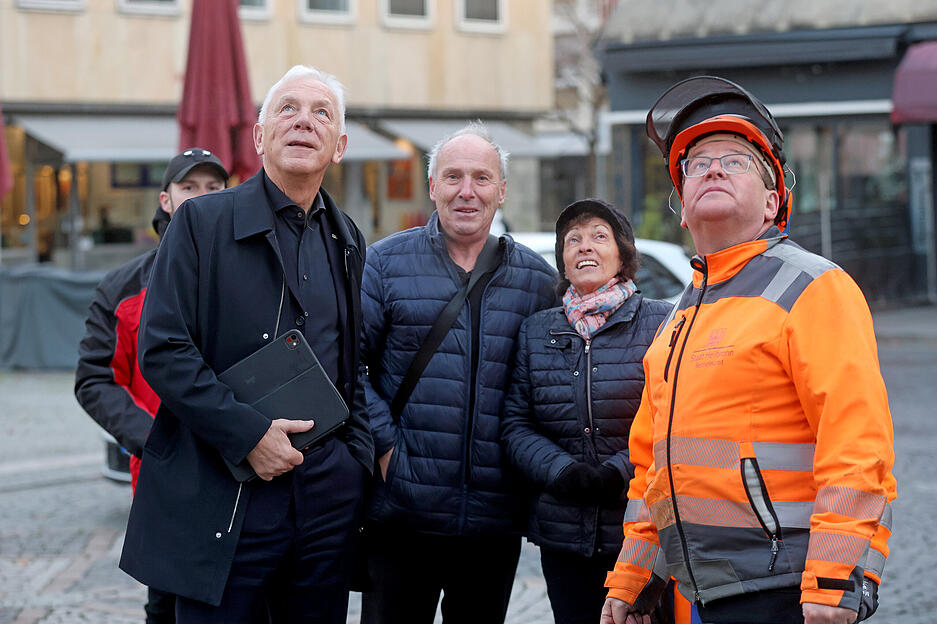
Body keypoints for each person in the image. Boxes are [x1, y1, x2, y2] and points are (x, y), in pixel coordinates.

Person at [601, 76, 897, 624]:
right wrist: (634, 578)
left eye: (735, 161)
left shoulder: (814, 287)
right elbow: (653, 471)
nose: (711, 167)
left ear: (773, 200)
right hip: (708, 593)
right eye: (696, 164)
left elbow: (857, 444)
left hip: (789, 589)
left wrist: (834, 580)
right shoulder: (679, 319)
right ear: (682, 210)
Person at [118, 65, 371, 624]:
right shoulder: (201, 224)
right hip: (222, 491)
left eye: (321, 113)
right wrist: (249, 435)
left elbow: (352, 364)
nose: (304, 121)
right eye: (287, 108)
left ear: (340, 146)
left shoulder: (348, 237)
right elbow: (162, 349)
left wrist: (354, 464)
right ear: (258, 137)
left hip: (325, 499)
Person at [359, 121, 557, 624]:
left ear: (501, 190)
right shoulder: (383, 264)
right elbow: (346, 369)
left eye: (481, 178)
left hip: (494, 521)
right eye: (453, 177)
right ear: (432, 187)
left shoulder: (538, 281)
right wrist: (387, 452)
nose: (467, 191)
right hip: (403, 512)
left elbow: (550, 388)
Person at [75, 148, 229, 624]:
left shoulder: (256, 273)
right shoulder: (124, 286)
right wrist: (155, 441)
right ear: (166, 200)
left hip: (250, 468)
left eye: (213, 188)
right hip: (166, 480)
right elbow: (95, 378)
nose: (201, 198)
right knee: (168, 605)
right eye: (189, 188)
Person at [501, 199, 671, 624]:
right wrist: (562, 471)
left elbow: (674, 418)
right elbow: (516, 424)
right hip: (563, 532)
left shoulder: (661, 323)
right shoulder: (538, 330)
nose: (584, 247)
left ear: (622, 253)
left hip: (641, 529)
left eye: (599, 236)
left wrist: (618, 470)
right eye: (572, 239)